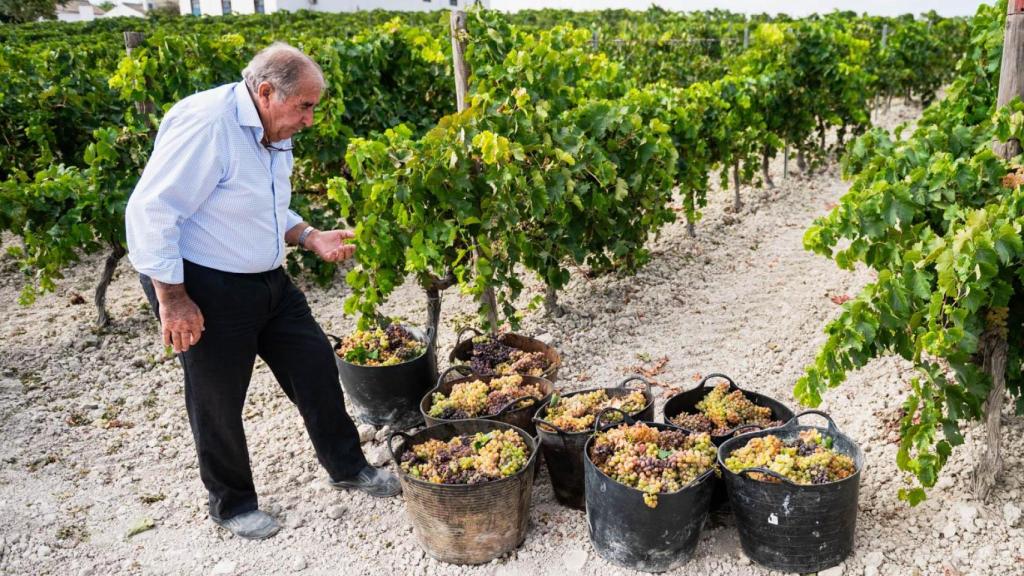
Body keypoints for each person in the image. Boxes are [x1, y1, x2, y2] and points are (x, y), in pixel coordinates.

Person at [124, 42, 399, 541]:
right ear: (267, 91)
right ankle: (231, 503)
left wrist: (309, 235)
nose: (310, 120)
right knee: (218, 397)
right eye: (305, 106)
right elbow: (151, 212)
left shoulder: (272, 128)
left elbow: (262, 205)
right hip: (203, 283)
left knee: (315, 362)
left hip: (267, 277)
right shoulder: (209, 126)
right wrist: (173, 300)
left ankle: (347, 465)